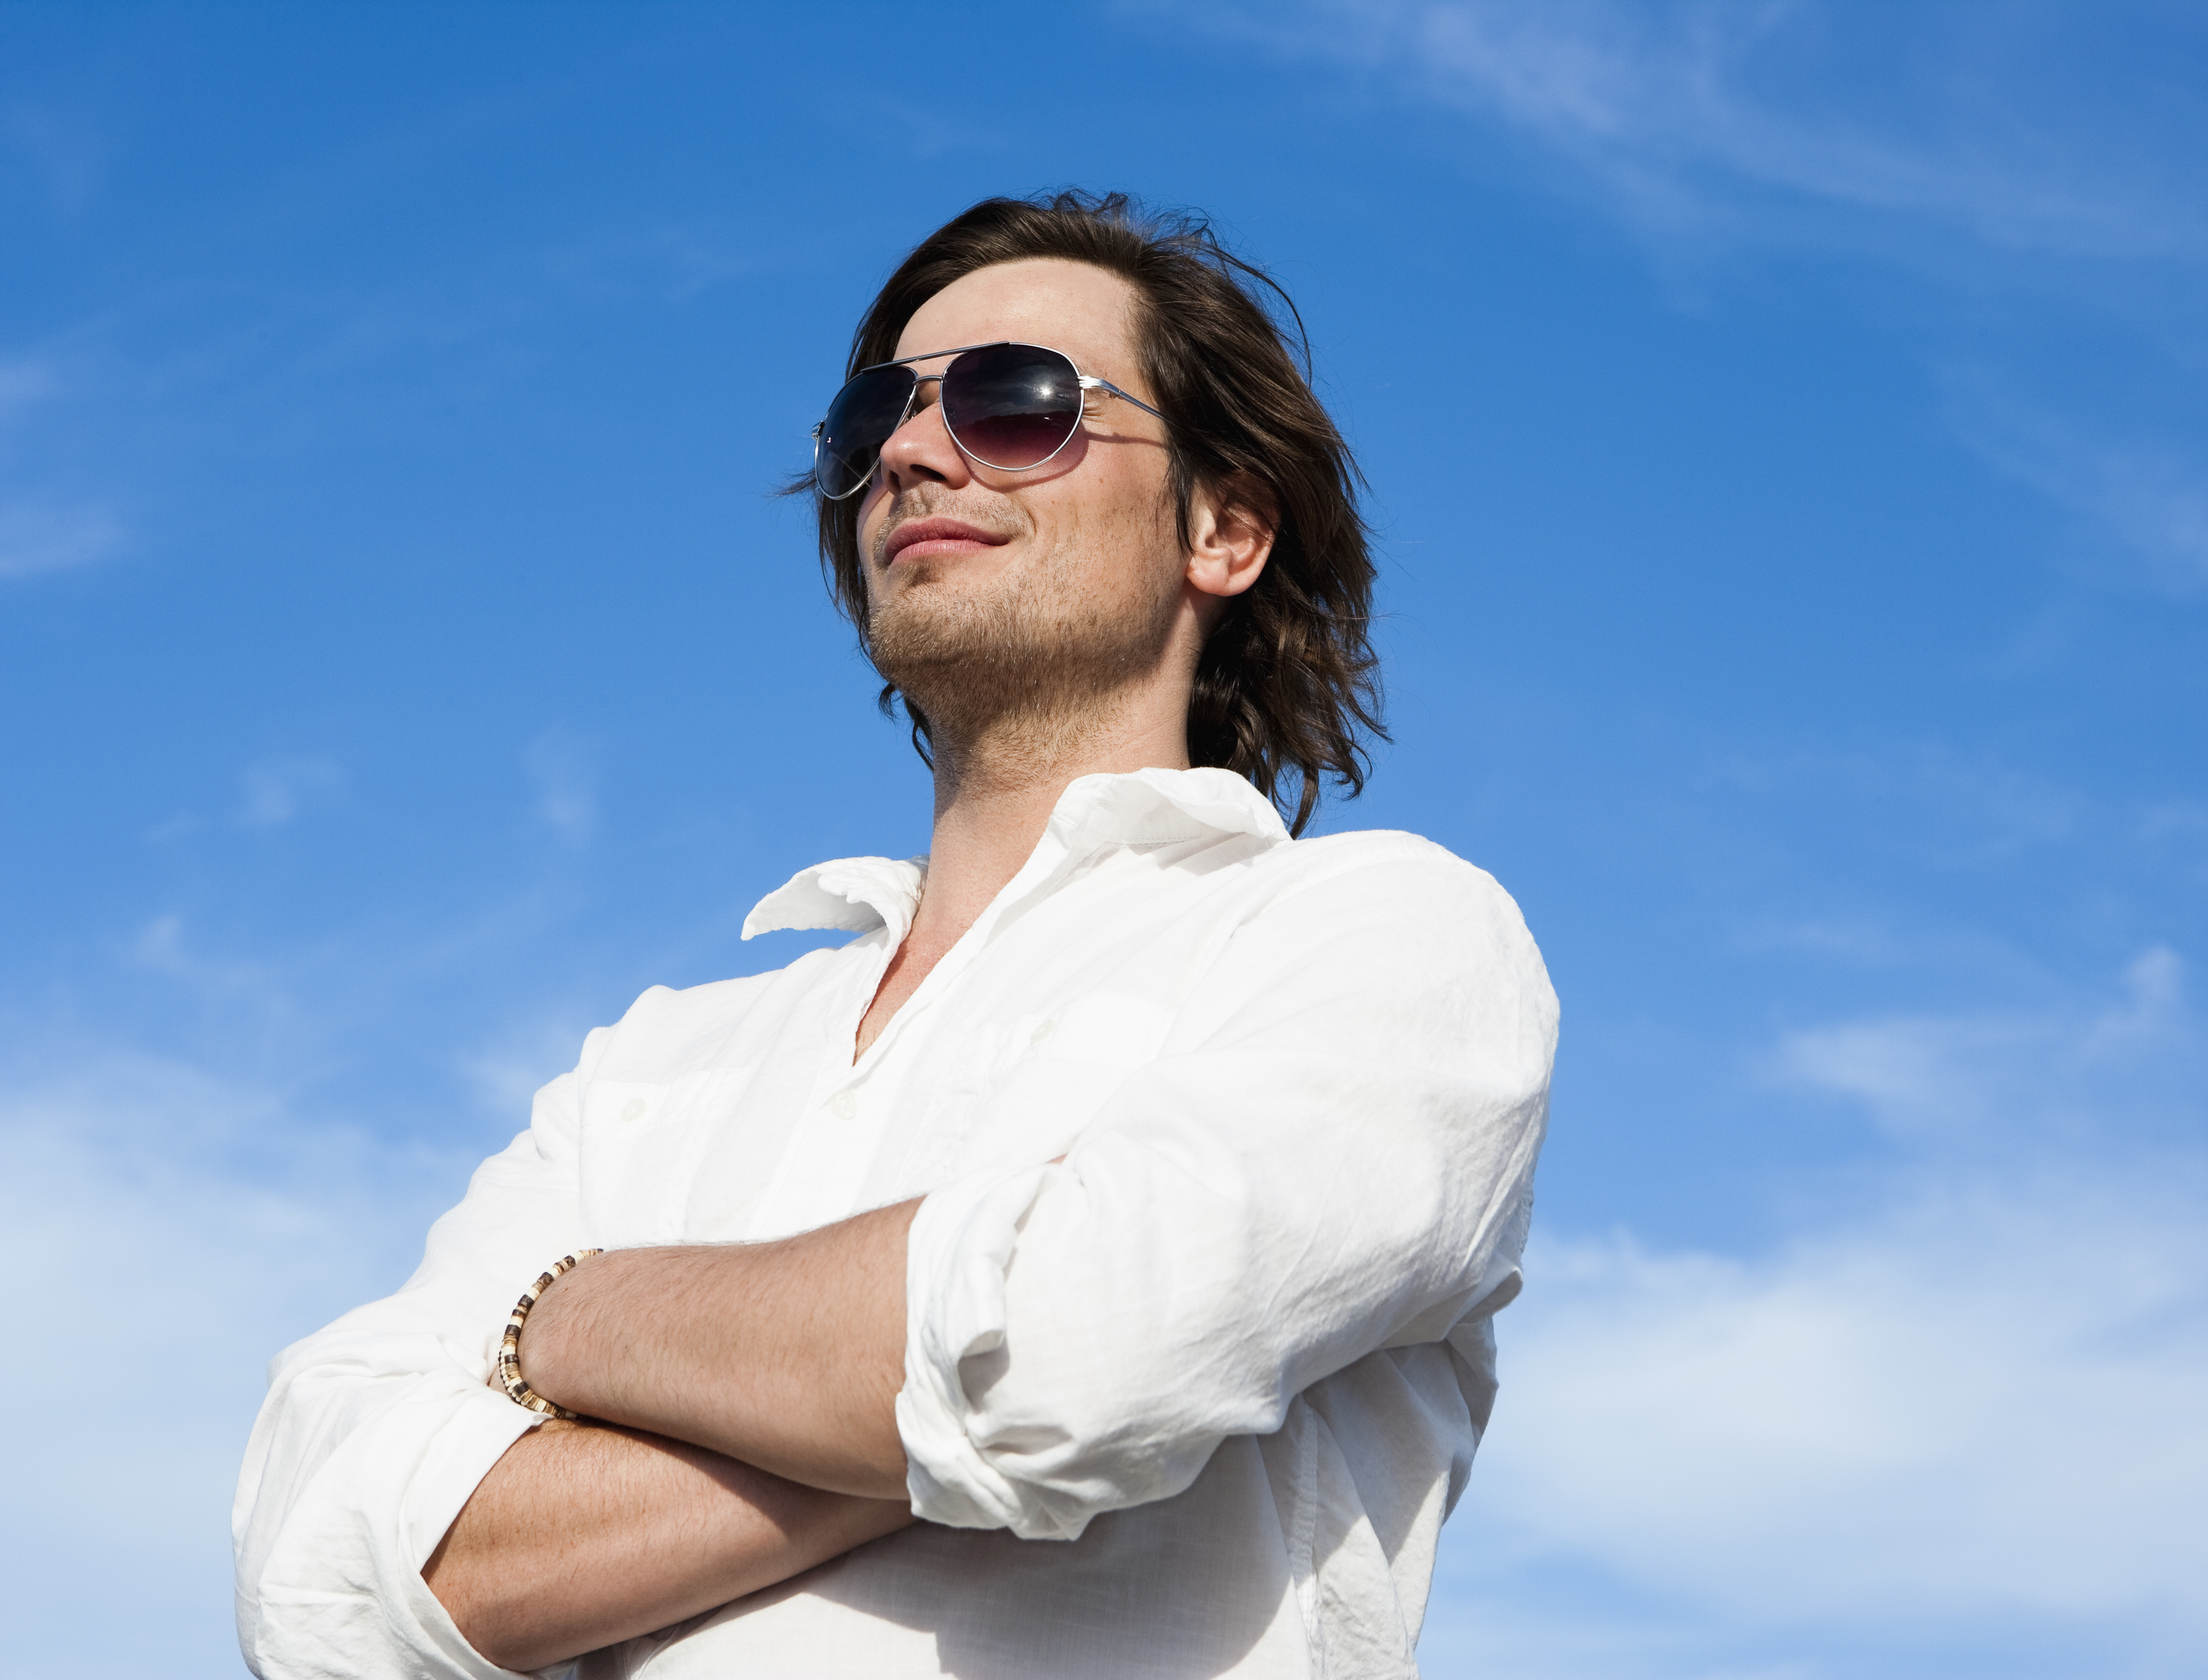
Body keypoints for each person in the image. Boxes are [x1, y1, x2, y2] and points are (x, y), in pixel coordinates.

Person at [233, 190, 1556, 1680]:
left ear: (1224, 527)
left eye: (1019, 402)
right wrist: (900, 1408)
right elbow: (324, 1577)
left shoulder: (1376, 935)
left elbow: (1076, 1358)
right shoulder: (661, 1058)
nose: (914, 453)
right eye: (878, 415)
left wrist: (569, 1312)